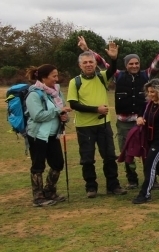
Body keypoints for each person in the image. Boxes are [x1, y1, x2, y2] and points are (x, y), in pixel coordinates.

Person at [78, 34, 159, 190]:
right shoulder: (118, 75)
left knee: (148, 152)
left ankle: (152, 179)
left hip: (144, 121)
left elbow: (158, 63)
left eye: (137, 63)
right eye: (131, 63)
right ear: (126, 65)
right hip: (124, 122)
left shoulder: (146, 75)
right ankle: (132, 179)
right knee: (127, 152)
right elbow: (102, 63)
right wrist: (87, 50)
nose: (134, 66)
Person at [67, 41, 127, 198]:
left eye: (91, 62)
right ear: (80, 65)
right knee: (87, 159)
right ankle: (91, 187)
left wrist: (114, 59)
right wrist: (96, 110)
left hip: (103, 124)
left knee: (109, 156)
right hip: (84, 126)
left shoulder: (102, 77)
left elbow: (113, 70)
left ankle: (113, 186)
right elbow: (73, 104)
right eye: (85, 62)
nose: (88, 65)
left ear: (95, 64)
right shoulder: (75, 82)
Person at [25, 65, 72, 206]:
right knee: (38, 165)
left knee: (58, 163)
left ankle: (49, 191)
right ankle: (38, 197)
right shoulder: (34, 94)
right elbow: (37, 116)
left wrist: (65, 117)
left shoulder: (56, 92)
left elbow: (62, 110)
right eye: (54, 76)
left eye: (57, 75)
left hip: (53, 135)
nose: (57, 79)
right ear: (44, 78)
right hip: (38, 135)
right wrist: (58, 111)